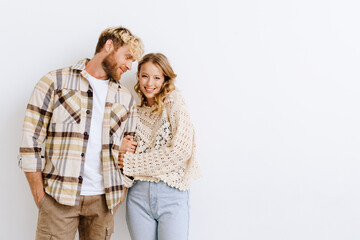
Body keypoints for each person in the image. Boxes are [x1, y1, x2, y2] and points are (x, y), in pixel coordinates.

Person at [18, 26, 144, 240]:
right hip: (58, 198)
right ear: (109, 45)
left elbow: (130, 151)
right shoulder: (55, 82)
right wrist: (40, 197)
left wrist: (121, 191)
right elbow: (31, 141)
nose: (130, 66)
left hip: (103, 202)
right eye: (128, 57)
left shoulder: (125, 98)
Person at [119, 53, 202, 240]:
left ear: (165, 79)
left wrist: (132, 163)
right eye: (145, 76)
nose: (150, 83)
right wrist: (120, 151)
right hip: (138, 196)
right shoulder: (134, 113)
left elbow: (180, 151)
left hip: (172, 194)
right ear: (138, 76)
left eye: (157, 77)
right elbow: (122, 159)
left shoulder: (174, 102)